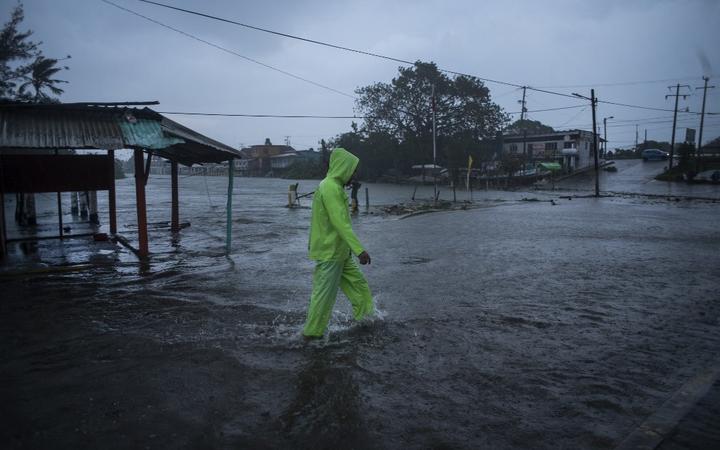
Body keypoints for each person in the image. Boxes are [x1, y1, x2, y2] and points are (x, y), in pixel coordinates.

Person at [303, 148, 374, 339]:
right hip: (331, 253)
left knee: (359, 285)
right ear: (344, 168)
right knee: (323, 298)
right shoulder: (329, 187)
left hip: (340, 253)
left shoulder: (334, 186)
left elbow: (327, 221)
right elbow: (339, 223)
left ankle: (367, 318)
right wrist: (359, 250)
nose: (355, 174)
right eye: (353, 170)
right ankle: (311, 335)